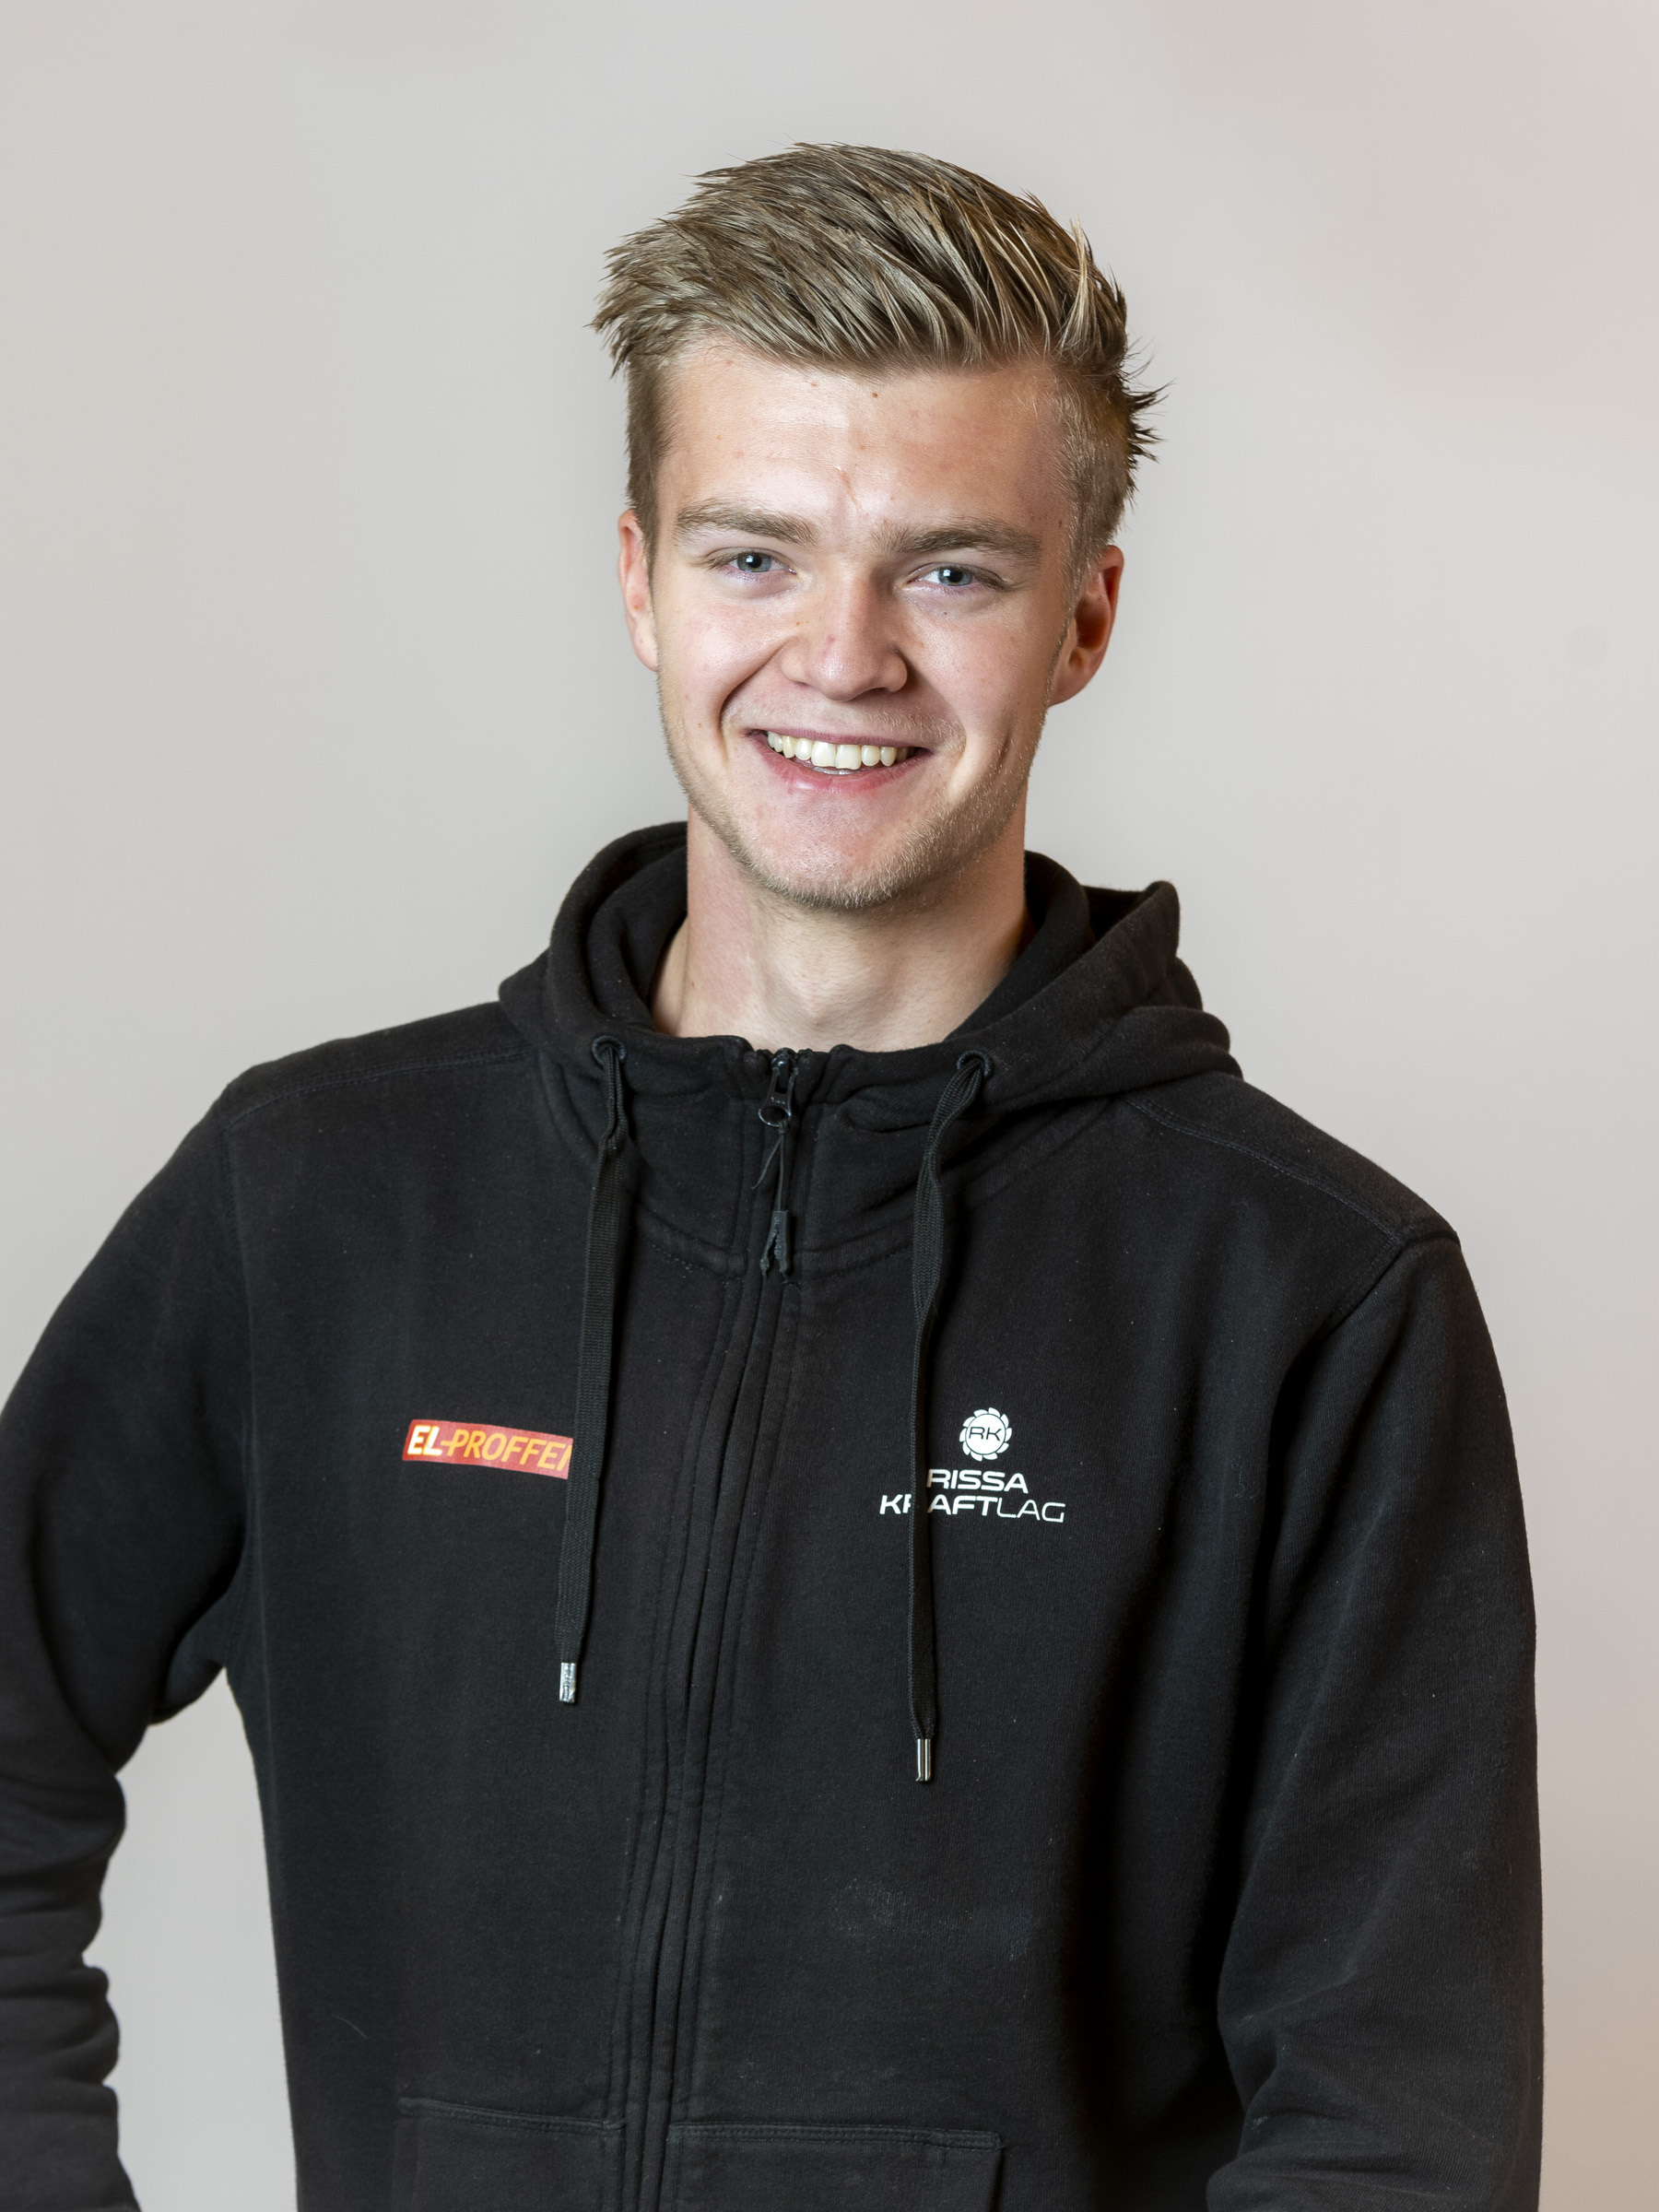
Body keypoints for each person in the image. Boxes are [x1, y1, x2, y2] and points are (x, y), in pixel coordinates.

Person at [0, 145, 1541, 2211]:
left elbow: (1401, 2121)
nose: (843, 657)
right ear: (639, 578)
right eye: (754, 556)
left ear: (1084, 616)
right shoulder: (318, 1201)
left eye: (951, 572)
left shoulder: (1308, 1298)